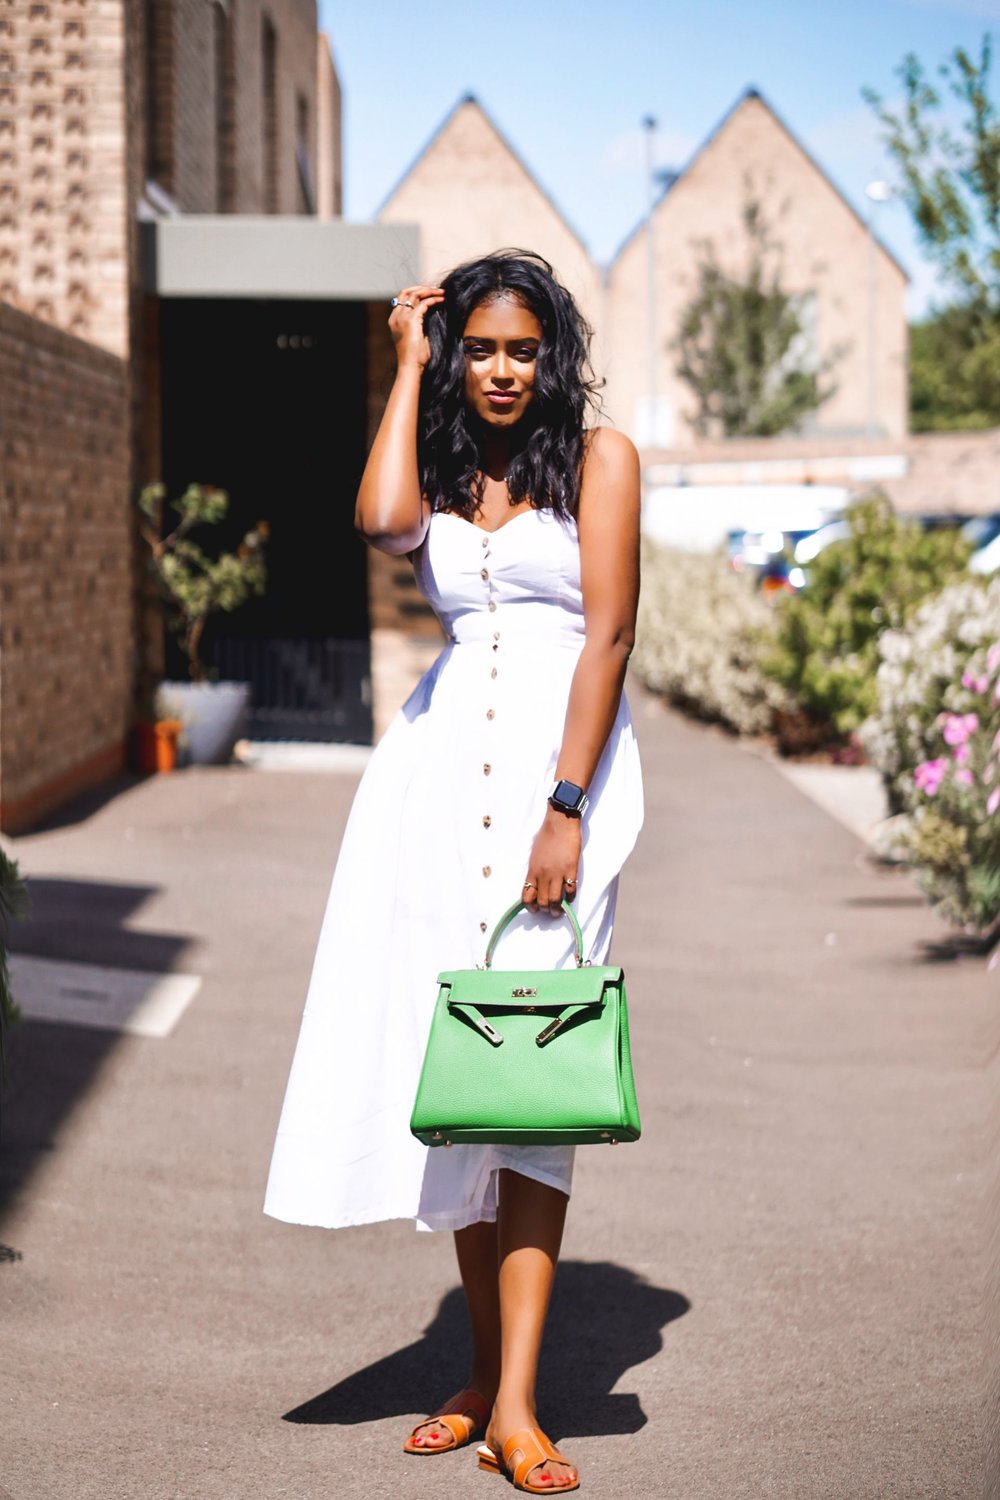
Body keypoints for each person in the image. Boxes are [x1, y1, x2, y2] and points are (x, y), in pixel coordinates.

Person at [264, 249, 643, 1494]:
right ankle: (480, 1369)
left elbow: (611, 639)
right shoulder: (438, 461)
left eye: (519, 348)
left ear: (553, 355)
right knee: (466, 1082)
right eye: (478, 345)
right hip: (431, 793)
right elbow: (376, 523)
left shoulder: (600, 462)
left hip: (553, 789)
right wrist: (404, 364)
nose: (498, 368)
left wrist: (568, 808)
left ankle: (520, 1408)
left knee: (530, 1084)